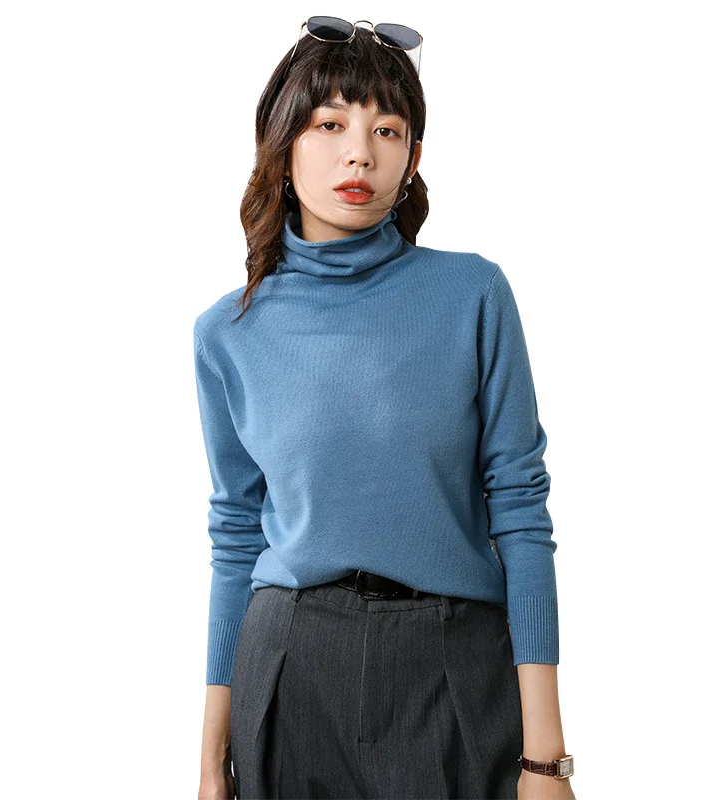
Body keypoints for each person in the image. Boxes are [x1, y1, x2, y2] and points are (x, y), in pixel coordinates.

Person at [194, 18, 575, 800]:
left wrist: (546, 760)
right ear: (282, 145)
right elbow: (237, 536)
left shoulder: (473, 295)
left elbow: (520, 510)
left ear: (413, 159)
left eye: (387, 130)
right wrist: (210, 760)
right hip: (290, 672)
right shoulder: (228, 332)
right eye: (330, 124)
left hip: (454, 668)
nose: (359, 153)